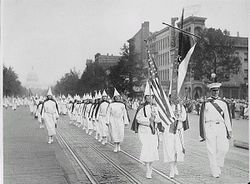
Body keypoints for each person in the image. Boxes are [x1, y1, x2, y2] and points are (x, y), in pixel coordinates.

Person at [199, 82, 232, 178]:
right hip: (209, 126)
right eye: (213, 91)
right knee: (211, 150)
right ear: (210, 92)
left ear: (219, 91)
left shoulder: (224, 103)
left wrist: (229, 130)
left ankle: (218, 164)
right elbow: (202, 118)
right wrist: (203, 133)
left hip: (221, 126)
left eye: (216, 91)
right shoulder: (206, 103)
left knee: (224, 149)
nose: (215, 93)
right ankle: (214, 170)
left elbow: (227, 118)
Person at [131, 82, 161, 179]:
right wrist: (148, 120)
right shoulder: (141, 108)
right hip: (144, 130)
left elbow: (159, 119)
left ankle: (150, 165)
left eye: (150, 97)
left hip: (153, 131)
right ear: (145, 98)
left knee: (152, 149)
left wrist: (154, 119)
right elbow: (138, 119)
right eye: (147, 97)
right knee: (147, 148)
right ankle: (148, 169)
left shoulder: (155, 108)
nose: (149, 98)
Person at [162, 96, 188, 178]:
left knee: (178, 150)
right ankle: (171, 169)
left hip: (178, 131)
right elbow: (163, 118)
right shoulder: (166, 107)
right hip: (169, 130)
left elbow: (183, 118)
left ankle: (175, 165)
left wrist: (178, 115)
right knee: (170, 150)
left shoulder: (181, 107)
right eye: (173, 98)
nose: (176, 100)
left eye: (177, 98)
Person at [107, 88, 129, 152]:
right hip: (113, 120)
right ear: (114, 98)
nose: (117, 98)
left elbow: (124, 113)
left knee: (120, 132)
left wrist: (126, 121)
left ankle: (119, 145)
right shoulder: (111, 105)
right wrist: (107, 121)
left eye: (118, 97)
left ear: (120, 98)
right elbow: (108, 113)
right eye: (115, 97)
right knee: (114, 132)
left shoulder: (122, 105)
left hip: (120, 120)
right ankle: (115, 146)